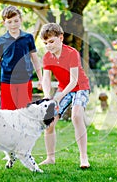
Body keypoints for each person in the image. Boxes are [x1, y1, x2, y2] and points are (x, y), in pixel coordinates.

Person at [39, 23, 90, 169]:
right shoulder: (47, 57)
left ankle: (84, 158)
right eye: (45, 43)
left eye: (52, 41)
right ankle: (50, 158)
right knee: (49, 122)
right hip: (63, 88)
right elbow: (46, 79)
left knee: (77, 116)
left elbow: (74, 81)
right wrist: (48, 96)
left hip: (80, 87)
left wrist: (59, 97)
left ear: (61, 38)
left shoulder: (72, 53)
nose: (49, 46)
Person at [0, 5, 42, 110]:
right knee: (8, 114)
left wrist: (41, 79)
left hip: (25, 81)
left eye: (16, 21)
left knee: (24, 113)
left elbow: (35, 60)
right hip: (7, 82)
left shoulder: (28, 38)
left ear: (21, 20)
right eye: (9, 22)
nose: (13, 24)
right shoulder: (1, 40)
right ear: (4, 23)